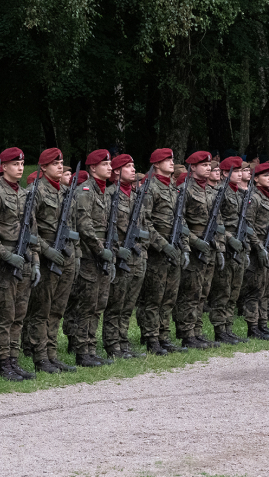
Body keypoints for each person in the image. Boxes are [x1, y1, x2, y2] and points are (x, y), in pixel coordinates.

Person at [0, 147, 39, 381]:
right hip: (6, 262)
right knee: (5, 315)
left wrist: (34, 260)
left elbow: (31, 230)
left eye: (22, 164)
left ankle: (13, 360)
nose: (20, 168)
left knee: (19, 314)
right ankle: (2, 362)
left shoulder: (24, 194)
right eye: (15, 164)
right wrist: (5, 255)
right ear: (3, 167)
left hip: (23, 259)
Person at [23, 148, 79, 373]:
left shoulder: (65, 192)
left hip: (65, 257)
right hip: (47, 259)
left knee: (57, 310)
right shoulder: (34, 192)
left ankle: (52, 354)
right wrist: (45, 252)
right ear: (43, 167)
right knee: (41, 310)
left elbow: (72, 226)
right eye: (54, 163)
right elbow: (28, 228)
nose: (59, 166)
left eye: (61, 162)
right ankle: (40, 357)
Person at [65, 150, 116, 367]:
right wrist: (99, 249)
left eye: (110, 163)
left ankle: (91, 348)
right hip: (89, 255)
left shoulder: (104, 192)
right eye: (105, 164)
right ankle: (82, 351)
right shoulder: (85, 191)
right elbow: (85, 225)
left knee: (99, 304)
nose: (110, 167)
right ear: (93, 168)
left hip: (102, 255)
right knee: (86, 305)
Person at [137, 148, 189, 355]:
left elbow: (180, 220)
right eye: (166, 160)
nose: (171, 162)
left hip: (174, 248)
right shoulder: (150, 188)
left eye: (172, 159)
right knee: (154, 297)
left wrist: (183, 246)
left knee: (169, 297)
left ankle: (163, 335)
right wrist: (162, 244)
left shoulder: (172, 189)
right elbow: (144, 222)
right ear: (156, 164)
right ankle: (151, 338)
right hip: (158, 252)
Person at [174, 151, 225, 347]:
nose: (208, 168)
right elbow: (181, 221)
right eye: (203, 165)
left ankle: (197, 331)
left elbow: (218, 221)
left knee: (203, 291)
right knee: (191, 291)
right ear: (193, 167)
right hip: (195, 246)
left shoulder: (212, 191)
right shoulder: (184, 189)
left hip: (210, 245)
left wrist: (219, 247)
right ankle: (187, 333)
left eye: (209, 165)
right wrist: (194, 242)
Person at [102, 154, 151, 357]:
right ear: (116, 171)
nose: (133, 169)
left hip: (136, 256)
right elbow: (105, 229)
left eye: (133, 166)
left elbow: (145, 224)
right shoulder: (110, 195)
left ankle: (123, 342)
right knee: (116, 304)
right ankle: (113, 345)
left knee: (128, 304)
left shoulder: (135, 195)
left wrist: (144, 247)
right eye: (127, 166)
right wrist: (115, 251)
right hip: (120, 256)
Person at [207, 156, 249, 345]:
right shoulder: (220, 193)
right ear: (225, 173)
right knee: (222, 291)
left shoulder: (239, 193)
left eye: (241, 170)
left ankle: (228, 327)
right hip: (226, 246)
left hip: (239, 245)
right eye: (236, 171)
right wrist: (228, 241)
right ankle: (219, 329)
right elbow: (217, 222)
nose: (240, 174)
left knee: (233, 291)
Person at [238, 162, 269, 338]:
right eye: (265, 176)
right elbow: (248, 225)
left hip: (268, 245)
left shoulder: (268, 197)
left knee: (266, 289)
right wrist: (258, 246)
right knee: (255, 289)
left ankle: (263, 323)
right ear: (256, 179)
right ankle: (253, 327)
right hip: (256, 248)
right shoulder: (253, 197)